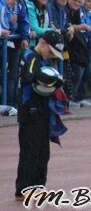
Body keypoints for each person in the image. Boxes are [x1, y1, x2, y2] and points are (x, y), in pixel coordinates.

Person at [15, 30, 67, 201]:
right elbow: (31, 76)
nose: (51, 56)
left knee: (43, 151)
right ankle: (23, 189)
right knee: (30, 150)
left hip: (42, 109)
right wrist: (55, 79)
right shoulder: (30, 56)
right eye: (51, 52)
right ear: (43, 43)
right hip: (30, 110)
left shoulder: (42, 59)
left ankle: (38, 186)